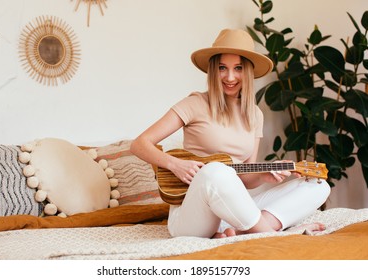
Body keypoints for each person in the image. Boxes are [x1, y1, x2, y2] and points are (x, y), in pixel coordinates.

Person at [130, 29, 331, 238]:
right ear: (213, 71)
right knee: (216, 171)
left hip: (230, 210)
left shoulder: (255, 114)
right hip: (191, 218)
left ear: (248, 72)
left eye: (238, 68)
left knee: (318, 187)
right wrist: (175, 164)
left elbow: (243, 178)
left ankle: (242, 230)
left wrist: (263, 176)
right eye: (222, 68)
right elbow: (139, 144)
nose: (230, 77)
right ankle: (272, 233)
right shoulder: (195, 104)